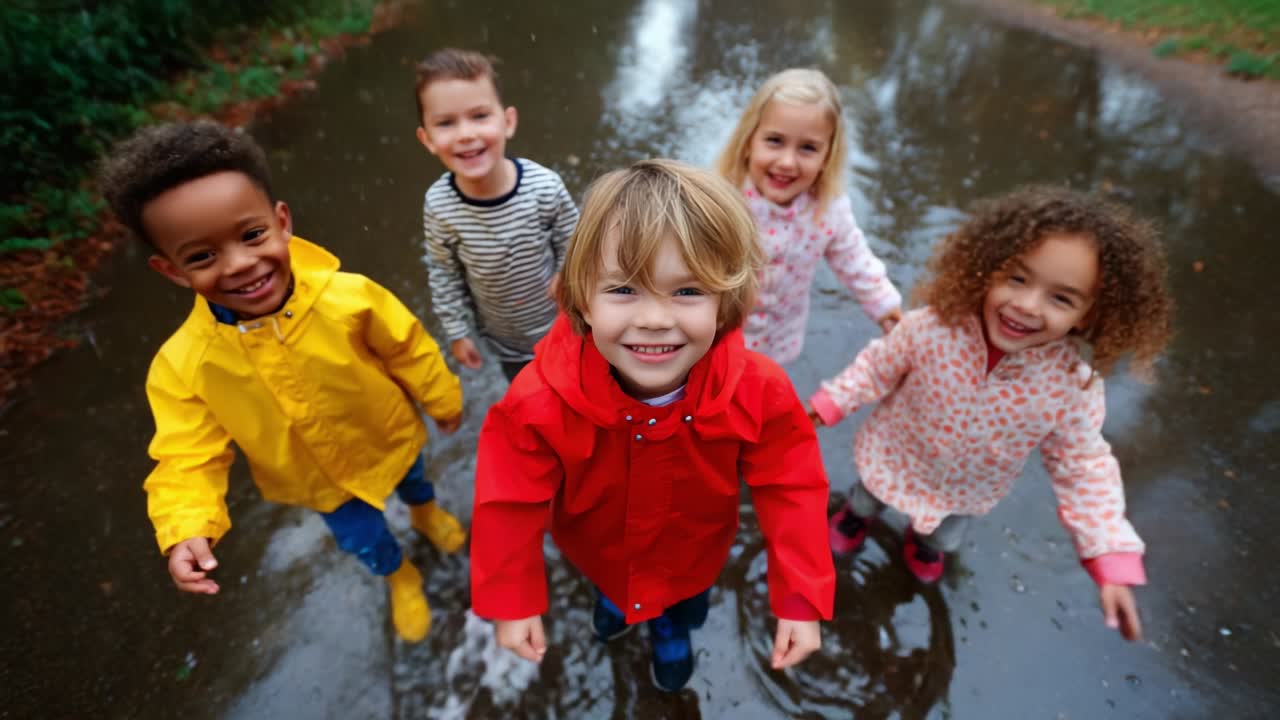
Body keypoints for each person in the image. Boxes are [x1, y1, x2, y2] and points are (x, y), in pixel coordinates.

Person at [469, 160, 835, 692]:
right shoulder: (539, 399)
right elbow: (508, 500)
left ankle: (670, 634)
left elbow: (791, 484)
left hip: (694, 558)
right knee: (613, 594)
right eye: (623, 290)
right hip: (602, 553)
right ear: (582, 298)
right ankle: (616, 610)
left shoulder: (758, 390)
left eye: (687, 291)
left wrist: (800, 597)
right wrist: (511, 599)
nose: (656, 319)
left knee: (681, 610)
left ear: (725, 299)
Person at [101, 121, 468, 643]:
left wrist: (440, 396)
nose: (241, 265)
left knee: (414, 479)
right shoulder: (184, 365)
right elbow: (186, 456)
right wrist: (186, 526)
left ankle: (427, 513)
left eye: (251, 236)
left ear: (281, 222)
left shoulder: (350, 297)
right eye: (202, 256)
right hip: (321, 481)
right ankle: (400, 576)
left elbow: (407, 346)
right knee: (365, 541)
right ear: (172, 271)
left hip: (387, 432)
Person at [811, 186, 1172, 641]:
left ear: (1089, 315)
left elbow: (1084, 467)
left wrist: (1109, 557)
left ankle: (924, 546)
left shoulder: (1072, 387)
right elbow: (877, 366)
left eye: (1060, 298)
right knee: (868, 494)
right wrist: (832, 402)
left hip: (964, 490)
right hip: (896, 453)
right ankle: (855, 517)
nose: (1027, 305)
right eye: (1017, 278)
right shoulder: (932, 327)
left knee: (942, 535)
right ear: (986, 267)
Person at [716, 68, 901, 364]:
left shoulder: (828, 209)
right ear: (749, 140)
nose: (787, 162)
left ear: (827, 156)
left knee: (762, 398)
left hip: (779, 342)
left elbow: (854, 259)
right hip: (718, 339)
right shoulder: (721, 201)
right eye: (774, 141)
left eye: (807, 148)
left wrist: (884, 305)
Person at [415, 48, 579, 382]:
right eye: (446, 123)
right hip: (506, 344)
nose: (465, 134)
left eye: (479, 116)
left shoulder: (544, 187)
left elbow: (577, 242)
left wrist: (568, 275)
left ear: (508, 122)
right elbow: (444, 273)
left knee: (582, 393)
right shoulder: (439, 205)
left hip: (567, 328)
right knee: (533, 404)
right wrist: (457, 332)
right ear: (427, 139)